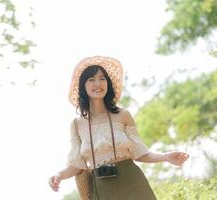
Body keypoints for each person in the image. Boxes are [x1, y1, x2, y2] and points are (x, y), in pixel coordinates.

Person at [48, 56, 189, 199]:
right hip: (102, 189)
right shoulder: (77, 124)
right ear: (83, 86)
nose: (98, 83)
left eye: (102, 78)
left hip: (133, 183)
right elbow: (77, 165)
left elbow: (140, 153)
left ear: (107, 83)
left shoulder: (123, 115)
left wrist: (166, 157)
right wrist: (59, 175)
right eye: (91, 79)